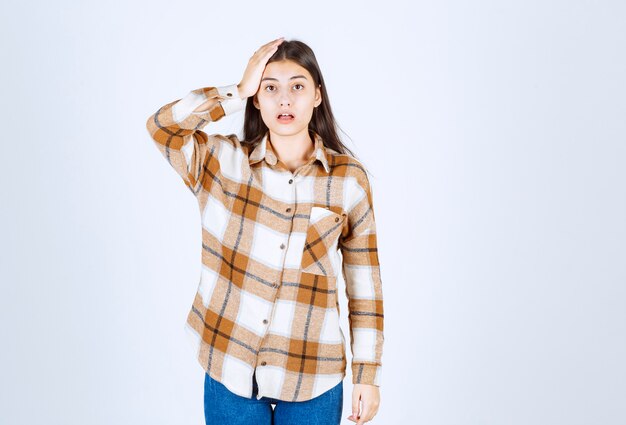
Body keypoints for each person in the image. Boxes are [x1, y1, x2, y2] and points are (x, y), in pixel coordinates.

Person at [145, 37, 384, 425]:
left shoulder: (348, 180)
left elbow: (364, 285)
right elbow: (162, 128)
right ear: (257, 98)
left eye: (297, 86)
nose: (284, 100)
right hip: (230, 363)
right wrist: (235, 91)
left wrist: (367, 375)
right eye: (270, 87)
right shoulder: (221, 162)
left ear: (317, 96)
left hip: (313, 375)